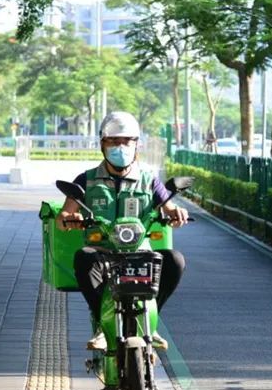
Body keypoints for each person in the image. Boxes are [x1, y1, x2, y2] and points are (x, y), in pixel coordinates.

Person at [56, 111, 189, 351]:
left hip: (140, 251)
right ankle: (101, 325)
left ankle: (151, 321)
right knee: (83, 258)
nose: (121, 147)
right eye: (113, 141)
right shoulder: (86, 180)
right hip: (102, 252)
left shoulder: (149, 180)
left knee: (175, 260)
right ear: (102, 145)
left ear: (136, 144)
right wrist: (70, 219)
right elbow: (64, 216)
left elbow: (169, 207)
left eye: (126, 141)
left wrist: (176, 214)